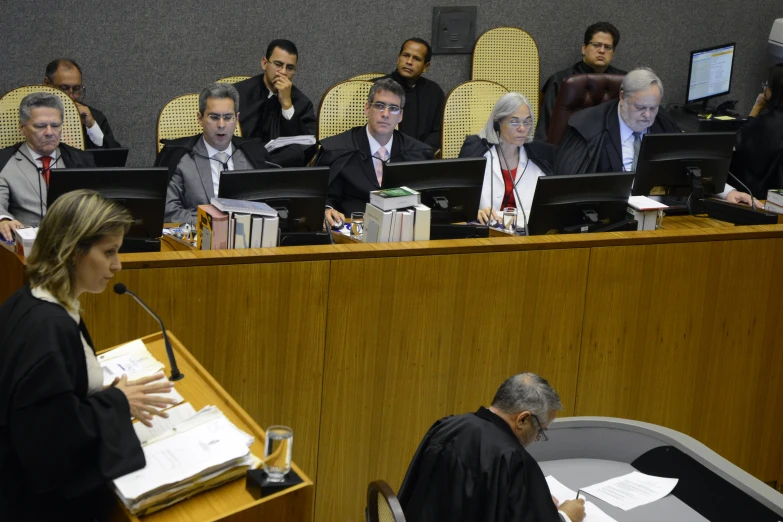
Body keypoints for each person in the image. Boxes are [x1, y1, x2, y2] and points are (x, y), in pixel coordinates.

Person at [0, 189, 177, 521]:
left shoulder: (32, 299)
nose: (117, 265)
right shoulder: (48, 330)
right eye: (109, 252)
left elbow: (50, 404)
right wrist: (118, 403)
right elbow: (54, 444)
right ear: (72, 252)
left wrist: (110, 396)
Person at [555, 67, 758, 205]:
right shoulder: (588, 127)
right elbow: (566, 185)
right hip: (608, 221)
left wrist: (728, 192)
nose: (648, 115)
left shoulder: (662, 122)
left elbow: (694, 164)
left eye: (653, 107)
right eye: (641, 107)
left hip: (663, 217)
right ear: (622, 97)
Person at [398, 373, 586, 522]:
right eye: (540, 430)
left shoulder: (447, 426)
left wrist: (533, 502)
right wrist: (565, 516)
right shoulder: (513, 460)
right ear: (523, 419)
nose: (537, 438)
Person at [317, 78, 434, 224]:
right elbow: (322, 198)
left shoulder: (418, 153)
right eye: (379, 105)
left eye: (393, 108)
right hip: (350, 231)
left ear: (400, 116)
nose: (385, 114)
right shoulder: (336, 150)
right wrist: (326, 210)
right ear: (367, 108)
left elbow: (428, 200)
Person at [156, 82, 270, 223]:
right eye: (214, 117)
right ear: (200, 118)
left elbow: (268, 206)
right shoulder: (180, 158)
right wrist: (214, 223)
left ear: (237, 119)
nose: (221, 125)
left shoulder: (252, 155)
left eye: (228, 117)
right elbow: (169, 212)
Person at [0, 92, 95, 241]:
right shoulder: (4, 161)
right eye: (40, 126)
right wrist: (3, 220)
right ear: (22, 128)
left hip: (73, 244)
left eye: (55, 125)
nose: (49, 132)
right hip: (26, 247)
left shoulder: (80, 160)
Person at [459, 92, 556, 226]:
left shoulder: (541, 156)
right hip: (484, 233)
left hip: (527, 235)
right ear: (497, 123)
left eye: (527, 122)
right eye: (514, 122)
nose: (522, 128)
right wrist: (475, 212)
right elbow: (457, 205)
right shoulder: (475, 152)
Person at [534, 22, 626, 142]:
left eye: (607, 47)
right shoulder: (561, 81)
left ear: (613, 53)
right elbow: (545, 128)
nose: (602, 51)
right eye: (596, 45)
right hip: (569, 150)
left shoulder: (625, 81)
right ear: (584, 48)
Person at [235, 39, 317, 167]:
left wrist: (287, 105)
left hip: (279, 170)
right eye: (278, 64)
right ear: (264, 63)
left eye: (290, 68)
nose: (283, 72)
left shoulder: (302, 102)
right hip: (241, 162)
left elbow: (308, 146)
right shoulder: (238, 93)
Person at [376, 38, 445, 149]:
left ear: (426, 67)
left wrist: (420, 152)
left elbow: (438, 131)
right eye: (406, 55)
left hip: (421, 158)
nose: (409, 62)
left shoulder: (434, 92)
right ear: (398, 58)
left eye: (416, 58)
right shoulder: (377, 87)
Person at [43, 58, 122, 149]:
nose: (71, 96)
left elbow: (114, 157)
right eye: (64, 88)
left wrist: (92, 126)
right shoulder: (30, 116)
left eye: (76, 89)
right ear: (47, 83)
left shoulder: (95, 117)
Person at [731, 63, 783, 198]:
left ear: (775, 90)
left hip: (759, 191)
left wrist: (756, 107)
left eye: (767, 84)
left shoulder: (768, 122)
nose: (765, 87)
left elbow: (739, 143)